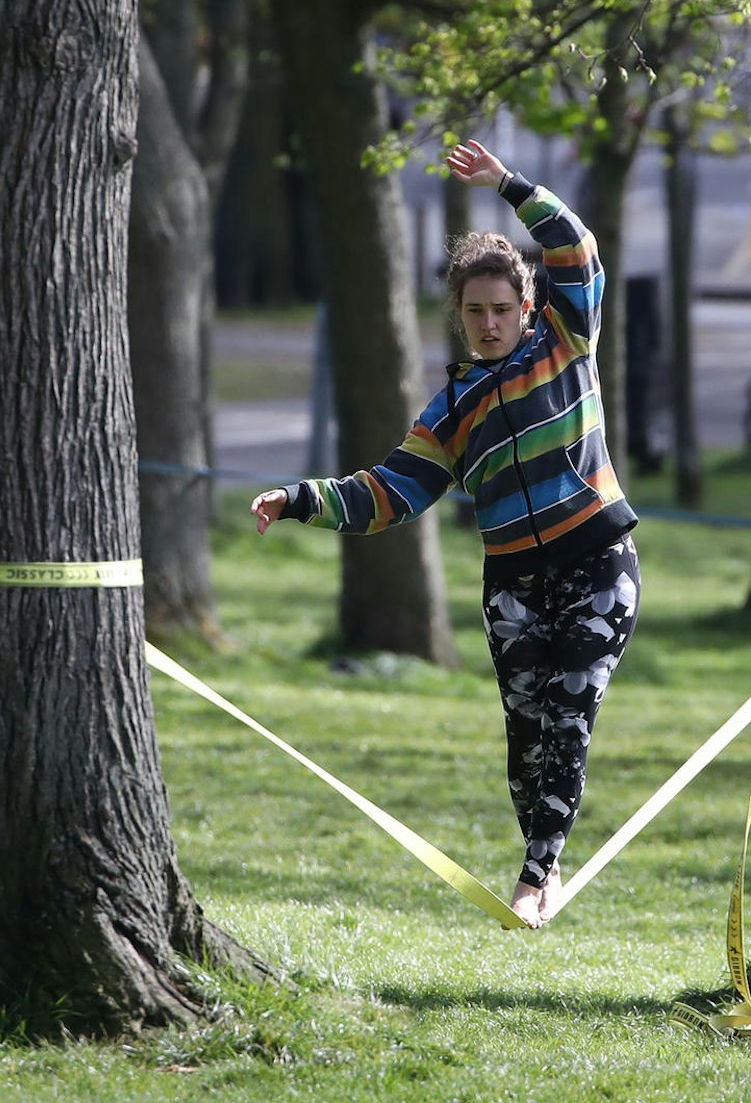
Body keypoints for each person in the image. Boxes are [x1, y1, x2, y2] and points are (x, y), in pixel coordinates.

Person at [249, 139, 640, 930]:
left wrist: (507, 185)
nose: (490, 324)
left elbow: (577, 248)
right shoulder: (450, 412)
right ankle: (545, 850)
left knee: (571, 708)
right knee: (525, 734)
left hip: (597, 562)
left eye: (502, 310)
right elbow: (387, 493)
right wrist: (296, 497)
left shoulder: (567, 343)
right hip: (511, 585)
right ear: (457, 318)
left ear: (527, 309)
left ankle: (536, 875)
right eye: (475, 313)